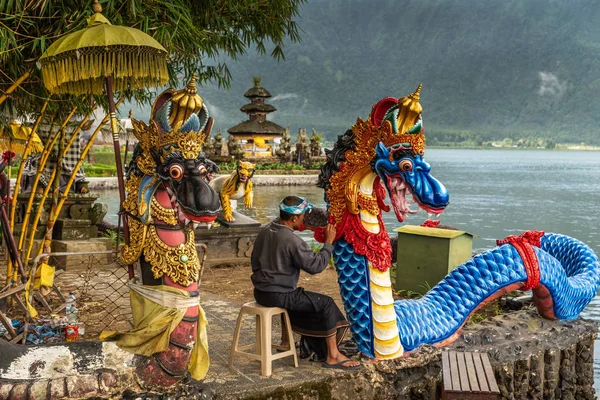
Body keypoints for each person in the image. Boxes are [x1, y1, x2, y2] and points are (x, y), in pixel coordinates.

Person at [251, 195, 360, 370]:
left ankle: (287, 341)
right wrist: (328, 243)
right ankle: (333, 355)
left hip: (261, 292)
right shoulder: (291, 240)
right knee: (325, 304)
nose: (303, 220)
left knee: (302, 300)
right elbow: (316, 266)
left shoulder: (265, 230)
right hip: (278, 295)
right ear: (294, 218)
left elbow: (255, 262)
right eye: (302, 217)